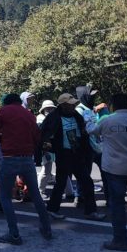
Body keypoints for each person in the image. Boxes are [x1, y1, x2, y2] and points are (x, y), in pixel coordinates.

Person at [88, 93, 127, 251]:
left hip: (115, 169)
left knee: (117, 205)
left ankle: (120, 240)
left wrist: (89, 119)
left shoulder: (107, 120)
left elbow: (92, 131)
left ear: (112, 107)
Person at [0, 93, 52, 244]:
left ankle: (14, 234)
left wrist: (4, 141)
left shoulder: (2, 111)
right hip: (27, 158)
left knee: (5, 196)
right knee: (36, 194)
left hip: (10, 158)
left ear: (6, 102)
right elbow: (37, 136)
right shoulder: (29, 114)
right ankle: (46, 228)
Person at [40, 93, 105, 221]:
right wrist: (48, 146)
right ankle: (52, 210)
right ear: (63, 105)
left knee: (87, 182)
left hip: (77, 154)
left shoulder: (76, 115)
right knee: (60, 183)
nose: (73, 106)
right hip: (63, 154)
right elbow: (44, 134)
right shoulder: (53, 117)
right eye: (70, 104)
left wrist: (84, 137)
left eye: (74, 104)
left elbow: (83, 131)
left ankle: (91, 211)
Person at [36, 100, 73, 199]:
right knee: (46, 170)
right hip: (46, 149)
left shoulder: (55, 118)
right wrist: (44, 151)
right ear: (43, 110)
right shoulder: (40, 119)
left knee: (63, 170)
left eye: (51, 108)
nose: (49, 110)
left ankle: (69, 192)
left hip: (56, 148)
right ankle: (40, 191)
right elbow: (41, 136)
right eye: (47, 109)